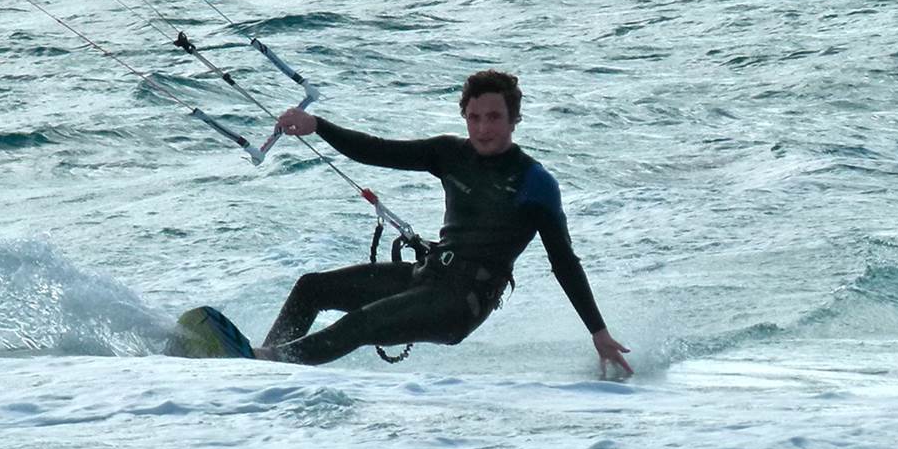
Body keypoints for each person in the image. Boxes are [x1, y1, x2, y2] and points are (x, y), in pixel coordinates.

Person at [258, 70, 633, 377]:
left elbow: (564, 263)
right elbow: (377, 149)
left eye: (494, 117)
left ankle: (268, 363)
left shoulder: (534, 182)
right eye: (474, 118)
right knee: (312, 288)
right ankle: (259, 365)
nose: (482, 128)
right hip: (429, 276)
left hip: (462, 303)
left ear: (514, 119)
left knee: (361, 324)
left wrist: (598, 332)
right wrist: (317, 125)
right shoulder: (450, 153)